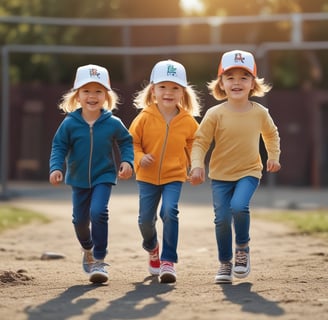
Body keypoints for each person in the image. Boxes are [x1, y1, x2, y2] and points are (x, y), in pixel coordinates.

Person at [189, 50, 281, 284]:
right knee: (221, 219)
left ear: (253, 83)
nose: (237, 82)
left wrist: (273, 156)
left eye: (244, 77)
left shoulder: (260, 113)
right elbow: (200, 141)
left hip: (249, 171)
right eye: (230, 77)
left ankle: (242, 248)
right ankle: (225, 263)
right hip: (220, 175)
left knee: (239, 207)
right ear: (221, 83)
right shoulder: (215, 114)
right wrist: (197, 165)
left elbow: (271, 134)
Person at [49, 64, 134, 284]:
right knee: (79, 220)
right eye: (86, 91)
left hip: (103, 176)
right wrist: (56, 167)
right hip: (77, 178)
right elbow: (58, 146)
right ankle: (87, 248)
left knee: (99, 212)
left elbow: (126, 142)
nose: (92, 96)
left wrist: (127, 161)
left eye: (98, 91)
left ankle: (99, 259)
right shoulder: (69, 124)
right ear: (77, 96)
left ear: (106, 96)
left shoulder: (113, 123)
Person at [129, 59, 201, 283]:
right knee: (145, 221)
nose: (168, 92)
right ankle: (152, 247)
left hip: (174, 176)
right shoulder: (143, 118)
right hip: (147, 177)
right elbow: (131, 144)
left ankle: (168, 260)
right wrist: (140, 158)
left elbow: (194, 144)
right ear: (153, 90)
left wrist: (194, 166)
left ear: (183, 92)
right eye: (163, 87)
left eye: (174, 88)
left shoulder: (188, 121)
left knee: (170, 212)